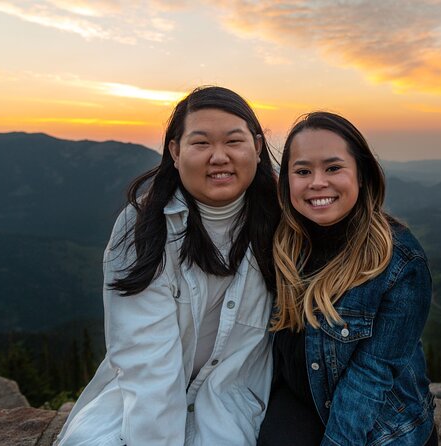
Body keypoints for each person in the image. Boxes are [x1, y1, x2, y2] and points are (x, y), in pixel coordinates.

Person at [55, 86, 280, 446]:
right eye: (201, 143)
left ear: (256, 146)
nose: (218, 157)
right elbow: (146, 362)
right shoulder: (144, 225)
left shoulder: (284, 224)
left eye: (233, 142)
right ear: (175, 151)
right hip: (138, 406)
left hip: (235, 400)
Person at [258, 112, 437, 446]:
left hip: (381, 421)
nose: (317, 182)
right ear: (286, 182)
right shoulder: (282, 242)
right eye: (302, 171)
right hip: (302, 396)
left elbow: (371, 377)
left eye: (333, 167)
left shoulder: (399, 261)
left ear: (362, 175)